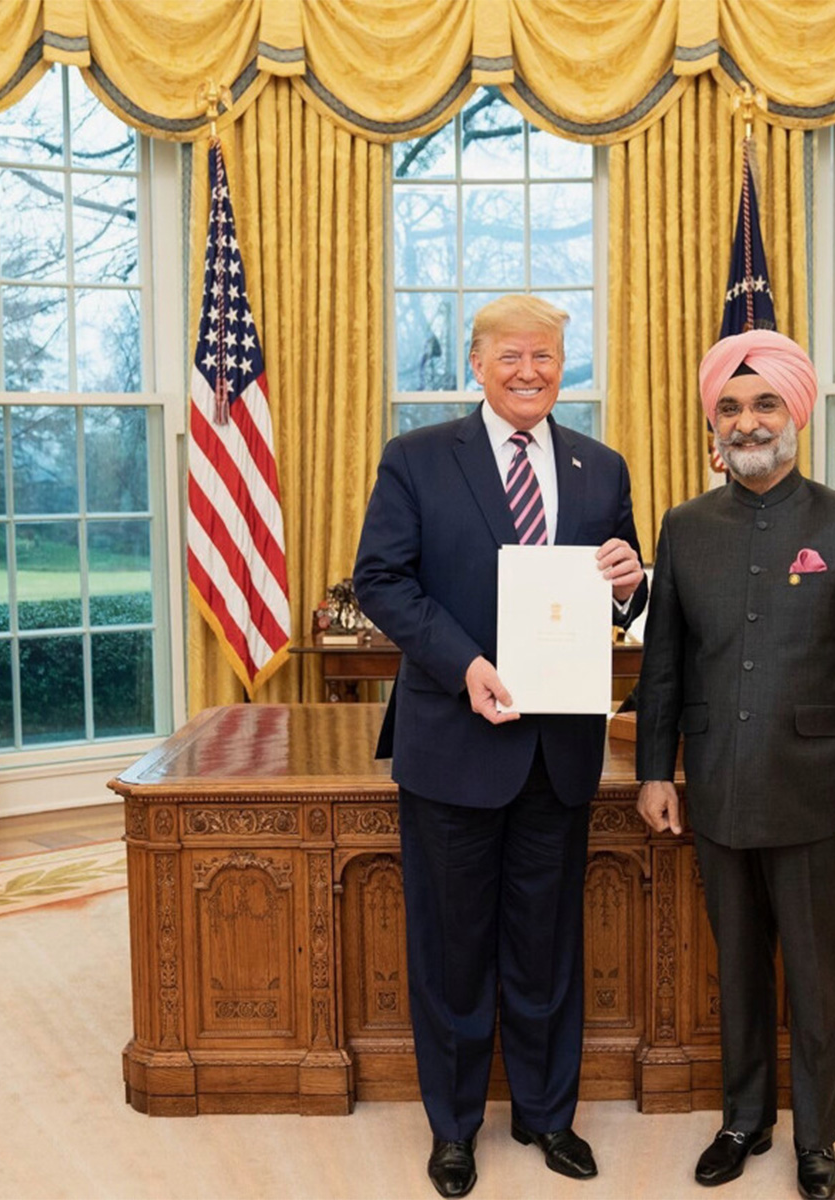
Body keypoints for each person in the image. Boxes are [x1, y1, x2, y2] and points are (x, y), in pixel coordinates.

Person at [353, 295, 647, 1199]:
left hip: (557, 752)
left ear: (566, 366)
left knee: (546, 942)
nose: (530, 372)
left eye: (548, 357)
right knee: (451, 948)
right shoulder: (416, 460)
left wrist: (632, 582)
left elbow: (620, 589)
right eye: (512, 356)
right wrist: (464, 663)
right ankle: (454, 1129)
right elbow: (381, 581)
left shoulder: (600, 467)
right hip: (453, 744)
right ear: (476, 364)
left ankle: (547, 1115)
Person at [634, 329, 835, 1200]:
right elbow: (665, 666)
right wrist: (654, 771)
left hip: (819, 791)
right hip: (716, 787)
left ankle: (817, 1137)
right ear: (712, 424)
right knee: (741, 965)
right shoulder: (684, 527)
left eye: (763, 404)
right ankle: (743, 1118)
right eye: (730, 406)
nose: (747, 421)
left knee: (818, 970)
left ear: (794, 412)